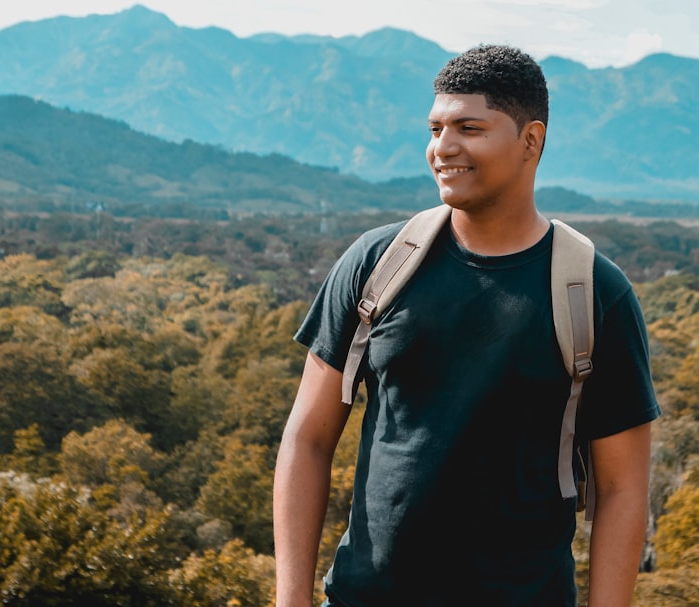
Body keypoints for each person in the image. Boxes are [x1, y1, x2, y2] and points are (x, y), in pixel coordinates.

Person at [272, 44, 660, 607]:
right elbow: (307, 438)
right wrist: (290, 597)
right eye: (435, 128)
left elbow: (623, 489)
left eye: (470, 128)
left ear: (531, 140)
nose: (443, 148)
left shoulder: (594, 292)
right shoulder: (377, 265)